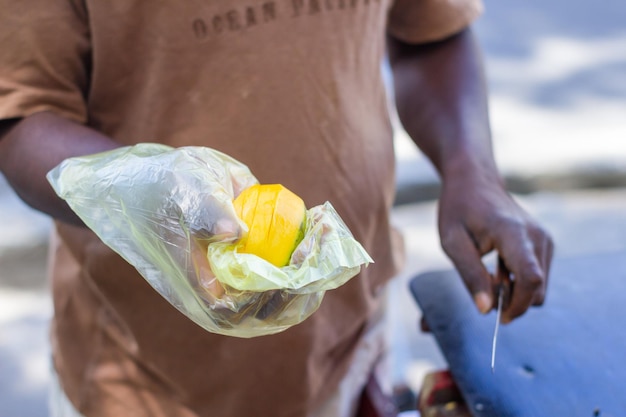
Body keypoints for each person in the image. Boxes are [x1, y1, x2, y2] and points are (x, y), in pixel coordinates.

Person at [0, 0, 553, 416]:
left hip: (353, 341)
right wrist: (143, 192)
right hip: (147, 379)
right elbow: (22, 116)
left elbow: (431, 32)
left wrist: (470, 171)